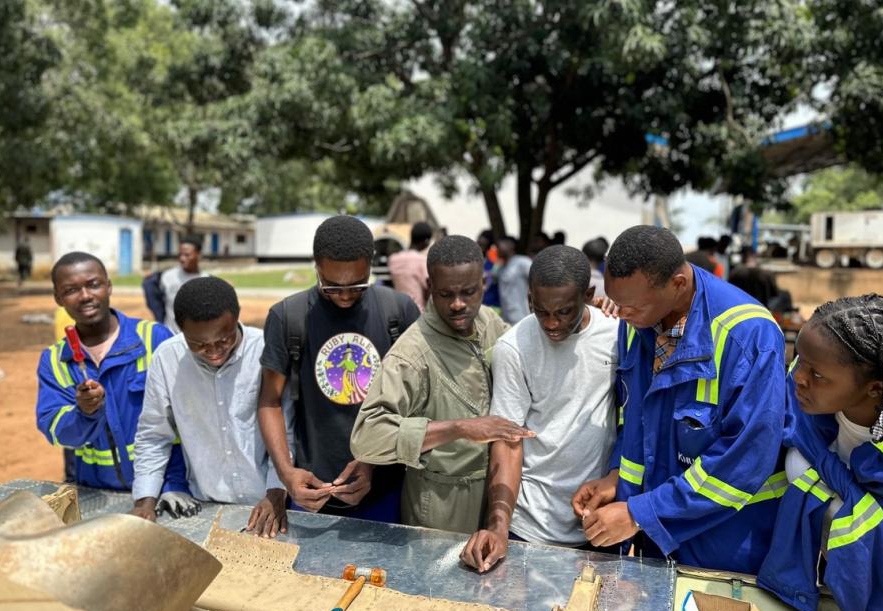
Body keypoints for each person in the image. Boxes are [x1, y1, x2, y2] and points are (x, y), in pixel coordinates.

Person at [573, 225, 785, 574]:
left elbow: (743, 462)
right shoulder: (637, 319)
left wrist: (640, 513)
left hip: (726, 546)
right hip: (655, 541)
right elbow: (638, 418)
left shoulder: (749, 337)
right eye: (617, 302)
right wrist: (617, 479)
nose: (618, 315)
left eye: (631, 307)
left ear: (678, 285)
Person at [756, 295, 883, 611]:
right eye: (800, 361)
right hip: (830, 581)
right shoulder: (805, 404)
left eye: (817, 374)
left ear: (875, 388)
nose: (799, 379)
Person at [350, 235, 526, 533]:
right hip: (441, 507)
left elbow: (530, 348)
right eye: (446, 294)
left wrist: (593, 313)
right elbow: (367, 436)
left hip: (498, 493)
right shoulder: (411, 354)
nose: (458, 304)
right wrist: (459, 428)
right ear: (430, 287)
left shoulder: (488, 322)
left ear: (484, 283)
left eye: (468, 292)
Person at [461, 245, 620, 572]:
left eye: (563, 312)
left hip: (598, 521)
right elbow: (508, 441)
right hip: (528, 524)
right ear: (530, 298)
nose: (551, 323)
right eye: (541, 310)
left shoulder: (618, 334)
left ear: (589, 295)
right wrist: (499, 527)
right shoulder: (514, 348)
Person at [258, 215, 419, 525]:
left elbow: (415, 401)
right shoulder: (287, 316)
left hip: (387, 490)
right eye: (331, 286)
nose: (345, 295)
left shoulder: (399, 312)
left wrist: (372, 462)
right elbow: (269, 401)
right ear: (316, 266)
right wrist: (285, 473)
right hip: (312, 491)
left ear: (371, 265)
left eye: (357, 286)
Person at [131, 277, 290, 536]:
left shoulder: (265, 351)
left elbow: (288, 430)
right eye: (199, 345)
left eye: (224, 340)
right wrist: (144, 501)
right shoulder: (167, 358)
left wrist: (276, 493)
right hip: (205, 504)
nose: (214, 351)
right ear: (180, 330)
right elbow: (153, 435)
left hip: (270, 504)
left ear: (237, 318)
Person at [35, 252, 192, 511]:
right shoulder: (53, 361)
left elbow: (186, 419)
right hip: (94, 494)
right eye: (71, 289)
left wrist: (173, 484)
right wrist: (84, 413)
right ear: (58, 298)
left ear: (108, 286)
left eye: (93, 284)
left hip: (165, 492)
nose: (85, 295)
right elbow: (57, 431)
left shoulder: (154, 339)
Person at [160, 235, 207, 334]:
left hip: (195, 339)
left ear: (199, 255)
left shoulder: (206, 281)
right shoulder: (167, 277)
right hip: (170, 336)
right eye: (180, 254)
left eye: (187, 255)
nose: (182, 258)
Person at [387, 221, 432, 312]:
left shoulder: (393, 259)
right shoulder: (422, 260)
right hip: (418, 311)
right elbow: (429, 287)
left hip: (398, 310)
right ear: (426, 241)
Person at [496, 236, 533, 324]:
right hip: (507, 318)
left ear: (510, 246)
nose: (497, 249)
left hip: (523, 315)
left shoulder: (522, 262)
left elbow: (537, 280)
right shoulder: (501, 268)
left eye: (499, 246)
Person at [476, 229, 500, 309]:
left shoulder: (494, 264)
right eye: (478, 244)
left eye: (482, 245)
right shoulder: (469, 263)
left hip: (492, 306)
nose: (478, 248)